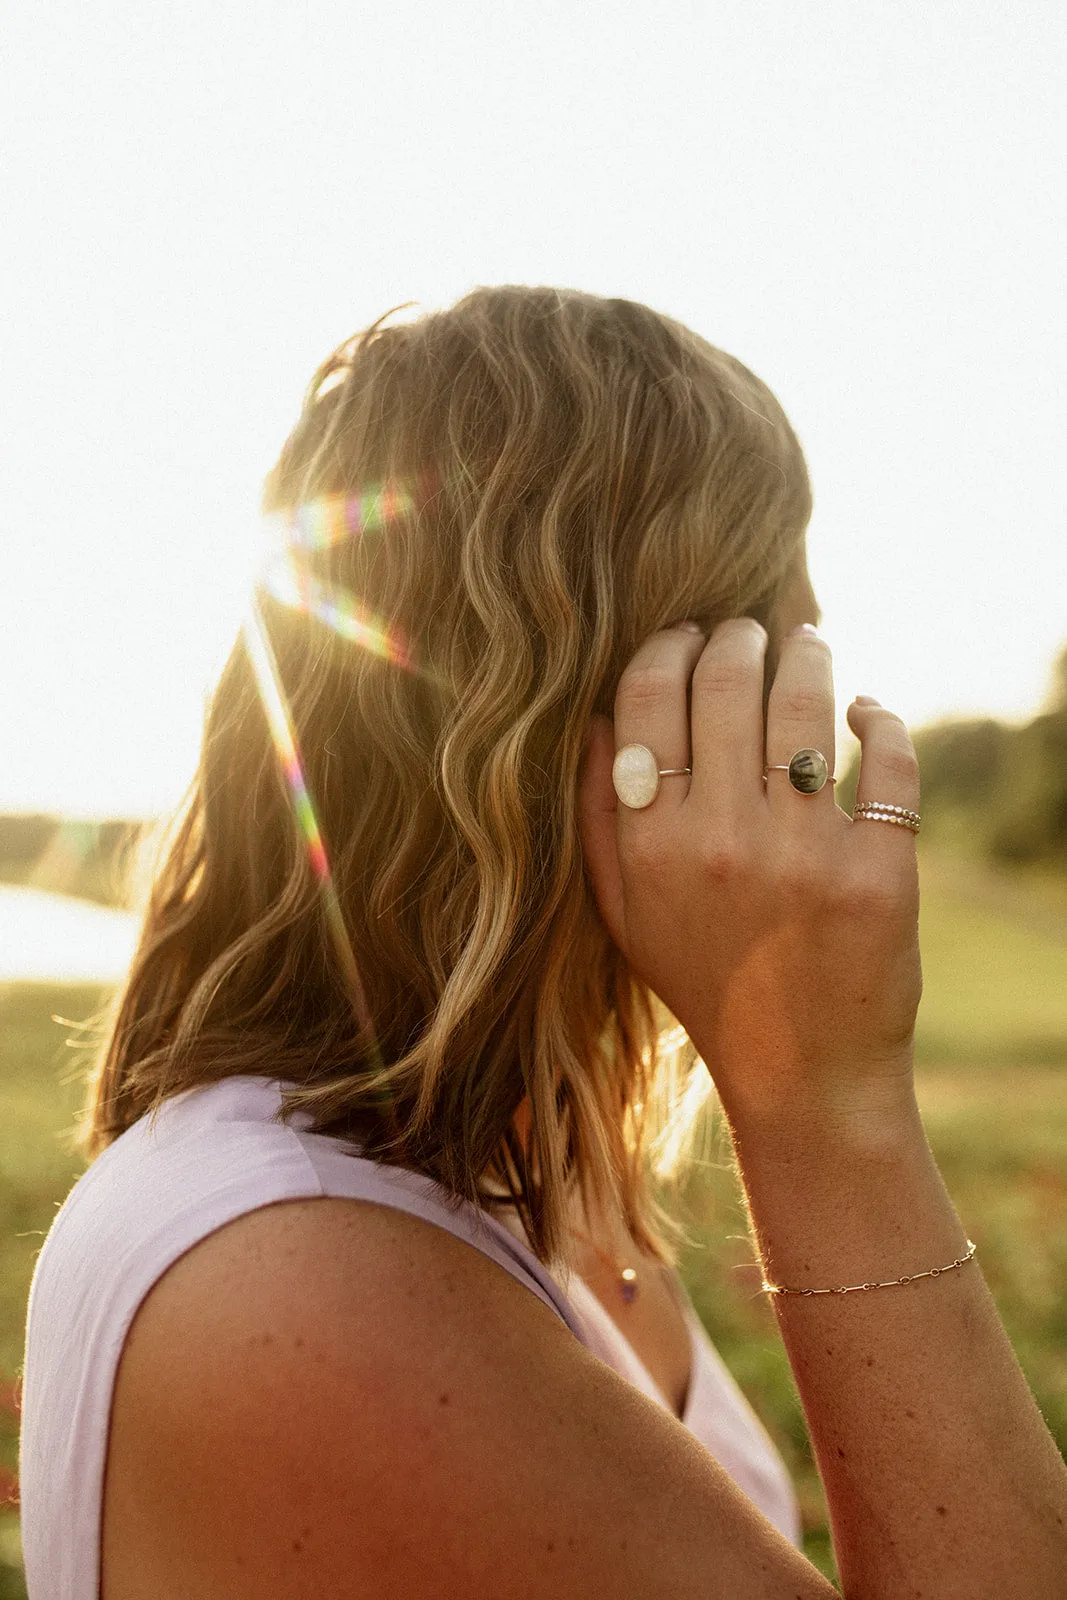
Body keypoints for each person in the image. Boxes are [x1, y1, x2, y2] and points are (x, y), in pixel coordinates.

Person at [19, 286, 1067, 1598]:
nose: (821, 700)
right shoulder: (301, 1280)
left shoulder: (506, 1170)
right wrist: (829, 1102)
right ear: (652, 707)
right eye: (786, 620)